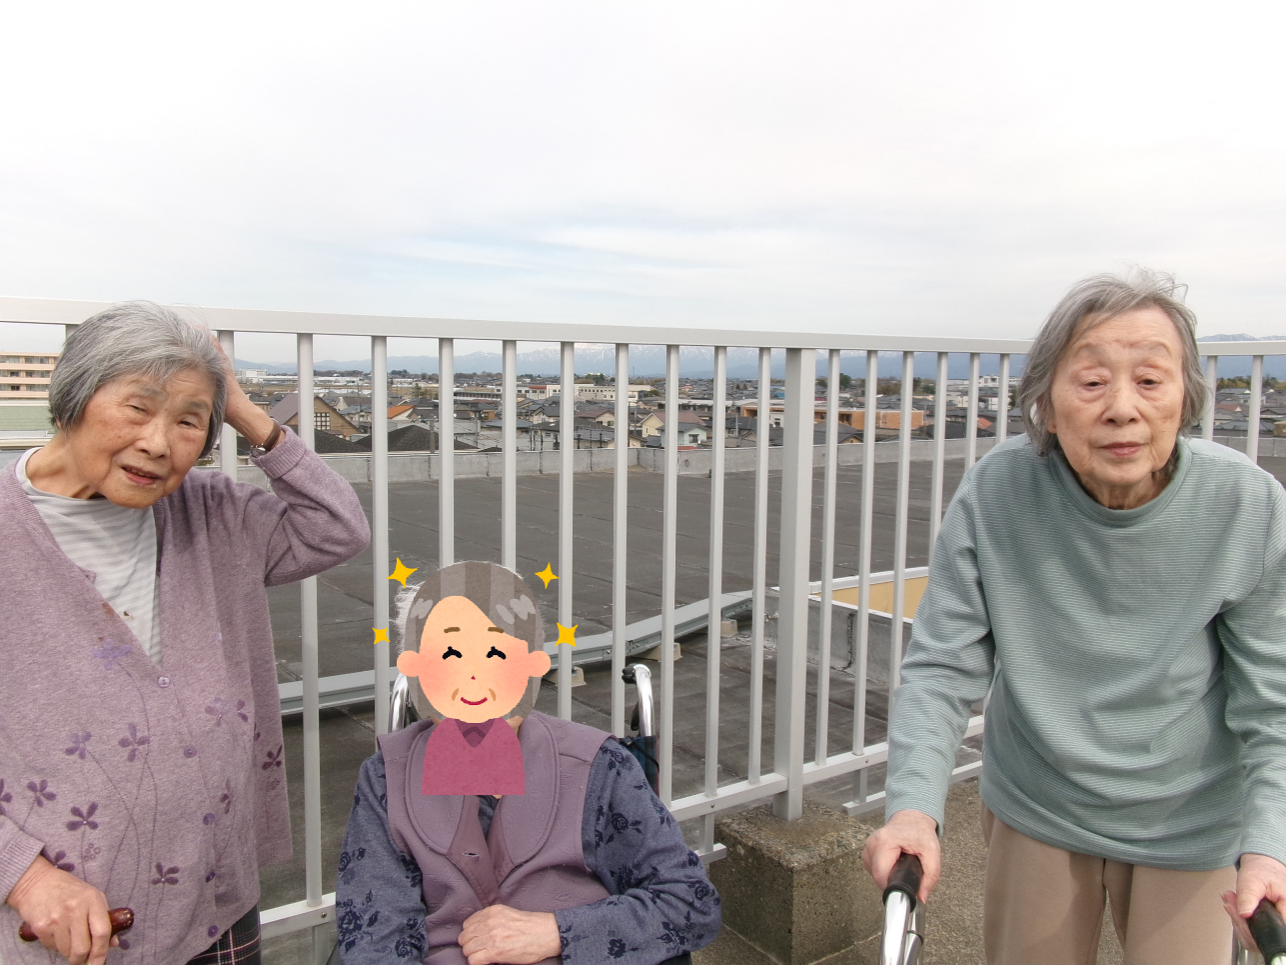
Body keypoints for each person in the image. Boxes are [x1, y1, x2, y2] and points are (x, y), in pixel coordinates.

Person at [862, 269, 1286, 964]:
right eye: (1091, 382)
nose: (1122, 408)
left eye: (1150, 380)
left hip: (1192, 816)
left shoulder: (1247, 505)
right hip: (1038, 800)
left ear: (1186, 398)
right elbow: (943, 663)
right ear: (1046, 406)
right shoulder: (999, 489)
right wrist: (912, 809)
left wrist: (1270, 845)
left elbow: (1274, 699)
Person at [0, 303, 370, 965]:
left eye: (188, 421)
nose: (158, 442)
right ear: (72, 399)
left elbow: (336, 528)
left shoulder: (213, 510)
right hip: (68, 930)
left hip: (215, 905)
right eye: (137, 408)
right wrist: (25, 878)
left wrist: (244, 410)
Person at [335, 561, 720, 965]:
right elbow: (376, 936)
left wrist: (558, 932)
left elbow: (689, 903)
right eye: (450, 655)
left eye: (496, 653)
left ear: (532, 664)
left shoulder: (599, 766)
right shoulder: (385, 778)